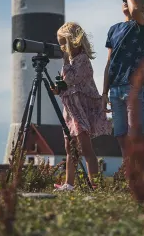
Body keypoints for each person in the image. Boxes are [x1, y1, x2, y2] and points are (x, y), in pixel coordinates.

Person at [51, 22, 112, 191]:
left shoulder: (82, 60)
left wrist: (64, 62)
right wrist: (59, 89)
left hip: (80, 111)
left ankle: (94, 184)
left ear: (73, 42)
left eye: (63, 43)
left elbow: (71, 79)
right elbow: (68, 84)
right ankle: (69, 184)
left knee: (86, 149)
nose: (61, 47)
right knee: (70, 149)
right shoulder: (71, 62)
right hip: (71, 110)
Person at [102, 0, 144, 158]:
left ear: (142, 7)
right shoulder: (113, 29)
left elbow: (135, 12)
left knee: (135, 135)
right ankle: (129, 173)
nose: (126, 0)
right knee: (120, 135)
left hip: (134, 87)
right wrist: (104, 93)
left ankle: (140, 174)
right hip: (115, 87)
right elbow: (109, 62)